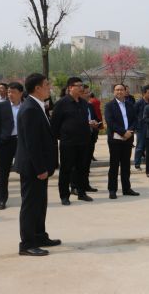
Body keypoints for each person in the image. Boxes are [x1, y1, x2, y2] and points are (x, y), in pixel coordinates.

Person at [15, 73, 60, 256]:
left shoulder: (37, 106)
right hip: (33, 167)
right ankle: (27, 244)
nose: (49, 87)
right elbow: (32, 143)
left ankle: (40, 236)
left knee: (40, 204)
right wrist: (40, 168)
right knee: (31, 205)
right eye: (47, 84)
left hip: (39, 166)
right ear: (37, 88)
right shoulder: (30, 109)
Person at [51, 77, 95, 205]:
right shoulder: (61, 103)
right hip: (68, 143)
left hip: (84, 142)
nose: (81, 88)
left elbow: (82, 121)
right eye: (79, 85)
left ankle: (81, 193)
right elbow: (54, 125)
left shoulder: (83, 103)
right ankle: (64, 196)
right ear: (70, 87)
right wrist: (63, 137)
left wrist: (89, 124)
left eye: (82, 85)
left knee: (82, 168)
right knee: (66, 170)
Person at [0, 82, 23, 210]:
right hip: (6, 142)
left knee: (24, 171)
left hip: (22, 142)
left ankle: (25, 198)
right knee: (3, 173)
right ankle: (2, 199)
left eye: (13, 92)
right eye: (9, 92)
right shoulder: (2, 106)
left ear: (20, 93)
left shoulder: (26, 106)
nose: (10, 94)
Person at [104, 83, 140, 199]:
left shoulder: (130, 105)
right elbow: (110, 122)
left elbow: (135, 120)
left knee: (126, 165)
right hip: (115, 140)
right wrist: (123, 132)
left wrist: (129, 132)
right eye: (117, 90)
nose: (119, 91)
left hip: (128, 139)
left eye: (121, 90)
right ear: (113, 92)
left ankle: (126, 188)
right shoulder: (109, 106)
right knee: (114, 165)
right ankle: (112, 190)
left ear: (125, 91)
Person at [76, 84, 100, 193]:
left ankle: (85, 184)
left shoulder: (89, 105)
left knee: (86, 164)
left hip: (90, 138)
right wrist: (87, 123)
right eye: (85, 93)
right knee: (78, 165)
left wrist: (95, 122)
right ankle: (75, 186)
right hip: (79, 139)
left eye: (88, 92)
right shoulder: (76, 106)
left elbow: (95, 117)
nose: (88, 95)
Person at [134, 85, 149, 170]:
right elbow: (133, 115)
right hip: (141, 128)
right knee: (140, 146)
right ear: (144, 93)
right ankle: (137, 163)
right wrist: (136, 126)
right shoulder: (138, 103)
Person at [89, 91, 102, 162]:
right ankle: (91, 155)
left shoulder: (90, 103)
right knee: (93, 141)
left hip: (93, 123)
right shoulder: (96, 101)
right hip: (96, 121)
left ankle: (90, 156)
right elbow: (98, 111)